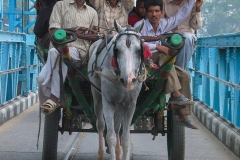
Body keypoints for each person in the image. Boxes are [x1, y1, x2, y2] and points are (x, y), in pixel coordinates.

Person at [134, 0, 203, 129]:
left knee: (184, 75)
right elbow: (135, 44)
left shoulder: (165, 24)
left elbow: (181, 15)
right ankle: (176, 94)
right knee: (163, 56)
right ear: (146, 13)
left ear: (162, 13)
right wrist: (157, 47)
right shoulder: (139, 25)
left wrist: (193, 1)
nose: (154, 14)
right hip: (145, 61)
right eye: (150, 11)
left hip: (160, 61)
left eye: (156, 11)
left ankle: (183, 115)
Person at [37, 0, 98, 114]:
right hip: (58, 48)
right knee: (56, 54)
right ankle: (53, 96)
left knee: (55, 57)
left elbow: (94, 36)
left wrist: (90, 33)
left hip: (79, 51)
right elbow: (53, 31)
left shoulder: (92, 12)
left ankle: (53, 96)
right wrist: (72, 30)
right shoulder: (60, 5)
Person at [163, 0, 203, 69]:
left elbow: (196, 26)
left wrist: (197, 8)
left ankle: (179, 72)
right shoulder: (163, 3)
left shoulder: (191, 3)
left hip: (187, 35)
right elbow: (160, 24)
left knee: (186, 38)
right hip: (168, 35)